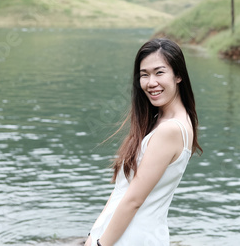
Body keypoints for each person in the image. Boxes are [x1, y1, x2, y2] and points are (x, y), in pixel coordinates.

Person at [85, 38, 202, 246]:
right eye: (144, 75)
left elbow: (133, 201)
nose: (151, 83)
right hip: (120, 234)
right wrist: (93, 235)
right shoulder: (161, 121)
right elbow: (121, 191)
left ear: (178, 75)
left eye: (159, 72)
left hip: (130, 237)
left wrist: (101, 244)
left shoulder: (170, 129)